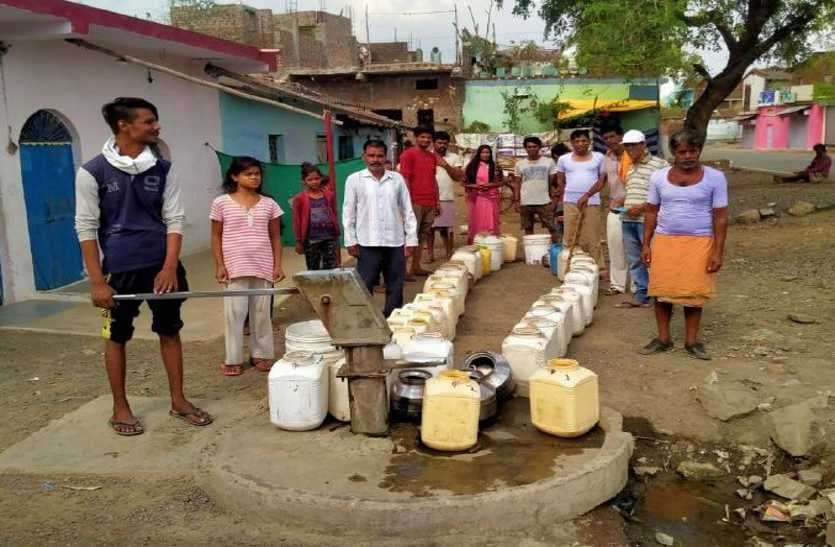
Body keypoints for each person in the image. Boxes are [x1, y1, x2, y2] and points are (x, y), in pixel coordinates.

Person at [74, 97, 212, 436]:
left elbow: (175, 219)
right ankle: (120, 408)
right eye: (149, 121)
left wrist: (168, 267)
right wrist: (97, 282)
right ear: (125, 125)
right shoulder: (92, 172)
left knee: (170, 331)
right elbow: (86, 228)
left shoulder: (164, 168)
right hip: (118, 270)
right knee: (116, 337)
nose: (156, 126)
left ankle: (178, 401)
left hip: (161, 265)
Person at [640, 129, 729, 361]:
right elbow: (651, 211)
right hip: (665, 240)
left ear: (699, 150)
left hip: (700, 241)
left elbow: (720, 216)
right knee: (661, 292)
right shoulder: (658, 177)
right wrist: (646, 244)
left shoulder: (715, 178)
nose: (688, 156)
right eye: (682, 152)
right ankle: (663, 339)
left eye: (693, 150)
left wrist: (718, 251)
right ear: (673, 153)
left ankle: (692, 341)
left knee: (693, 294)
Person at [211, 157, 285, 376]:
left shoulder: (269, 204)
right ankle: (233, 359)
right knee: (234, 314)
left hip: (263, 265)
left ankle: (261, 355)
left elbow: (275, 237)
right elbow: (216, 237)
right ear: (235, 176)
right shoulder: (221, 203)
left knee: (262, 314)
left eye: (257, 174)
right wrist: (219, 265)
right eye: (248, 174)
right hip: (235, 267)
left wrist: (277, 265)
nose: (254, 177)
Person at [343, 139, 418, 316]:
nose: (375, 159)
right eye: (371, 155)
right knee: (364, 285)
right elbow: (348, 212)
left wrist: (411, 239)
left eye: (379, 156)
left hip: (395, 242)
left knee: (395, 286)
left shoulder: (397, 179)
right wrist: (350, 240)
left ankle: (393, 321)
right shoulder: (354, 180)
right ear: (364, 157)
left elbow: (407, 209)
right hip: (367, 242)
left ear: (386, 157)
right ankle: (365, 322)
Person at [616, 130, 668, 309]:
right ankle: (642, 293)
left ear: (643, 145)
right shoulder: (630, 167)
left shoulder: (660, 165)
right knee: (635, 259)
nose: (630, 149)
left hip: (648, 220)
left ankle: (660, 293)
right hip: (628, 219)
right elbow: (632, 191)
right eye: (627, 146)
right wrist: (621, 202)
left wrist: (642, 207)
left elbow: (665, 195)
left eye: (633, 145)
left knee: (654, 257)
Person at [398, 127, 439, 276]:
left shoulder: (432, 157)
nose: (426, 140)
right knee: (410, 236)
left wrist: (437, 201)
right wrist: (406, 203)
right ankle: (403, 271)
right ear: (415, 137)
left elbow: (433, 179)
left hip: (430, 202)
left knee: (422, 236)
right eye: (422, 137)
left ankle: (416, 267)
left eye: (428, 138)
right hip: (414, 202)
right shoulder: (407, 155)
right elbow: (405, 180)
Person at [560, 130, 606, 264]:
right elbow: (560, 180)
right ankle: (569, 265)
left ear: (589, 142)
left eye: (584, 140)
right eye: (577, 141)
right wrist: (566, 197)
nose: (580, 144)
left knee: (593, 236)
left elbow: (601, 181)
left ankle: (598, 267)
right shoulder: (564, 159)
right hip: (570, 202)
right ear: (571, 144)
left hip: (592, 201)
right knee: (570, 235)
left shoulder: (599, 157)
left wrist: (587, 195)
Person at [292, 163, 341, 271]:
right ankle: (315, 288)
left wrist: (336, 231)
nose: (314, 182)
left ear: (321, 178)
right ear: (303, 181)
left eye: (317, 178)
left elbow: (333, 213)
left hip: (329, 237)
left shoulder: (329, 195)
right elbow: (297, 221)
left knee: (331, 268)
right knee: (313, 269)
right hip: (311, 240)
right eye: (310, 179)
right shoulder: (299, 199)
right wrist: (299, 241)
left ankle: (329, 288)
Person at [600, 126, 629, 295]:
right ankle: (617, 285)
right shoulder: (607, 158)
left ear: (621, 136)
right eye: (606, 138)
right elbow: (602, 181)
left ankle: (638, 285)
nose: (610, 140)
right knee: (615, 246)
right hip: (614, 209)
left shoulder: (633, 155)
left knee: (635, 249)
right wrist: (587, 195)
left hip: (635, 207)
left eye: (612, 136)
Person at [514, 136, 559, 241]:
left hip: (544, 201)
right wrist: (516, 201)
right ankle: (532, 252)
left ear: (539, 147)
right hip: (526, 201)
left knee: (552, 227)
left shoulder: (549, 162)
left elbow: (554, 183)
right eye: (529, 147)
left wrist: (555, 200)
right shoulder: (520, 164)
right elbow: (517, 183)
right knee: (528, 228)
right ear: (525, 148)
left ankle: (556, 250)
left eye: (535, 146)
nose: (532, 149)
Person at [428, 131, 464, 261]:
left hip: (447, 197)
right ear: (434, 143)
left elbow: (459, 177)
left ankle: (449, 253)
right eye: (439, 142)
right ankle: (430, 255)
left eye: (445, 143)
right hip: (428, 197)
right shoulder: (426, 156)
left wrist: (444, 164)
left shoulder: (454, 157)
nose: (442, 145)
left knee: (447, 228)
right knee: (429, 229)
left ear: (448, 144)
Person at [465, 145, 503, 242]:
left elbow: (501, 182)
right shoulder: (472, 167)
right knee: (478, 221)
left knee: (492, 221)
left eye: (488, 152)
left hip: (492, 198)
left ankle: (492, 243)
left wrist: (492, 185)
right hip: (477, 198)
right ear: (479, 154)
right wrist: (476, 186)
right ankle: (477, 242)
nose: (486, 154)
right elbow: (465, 183)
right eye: (483, 152)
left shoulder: (495, 167)